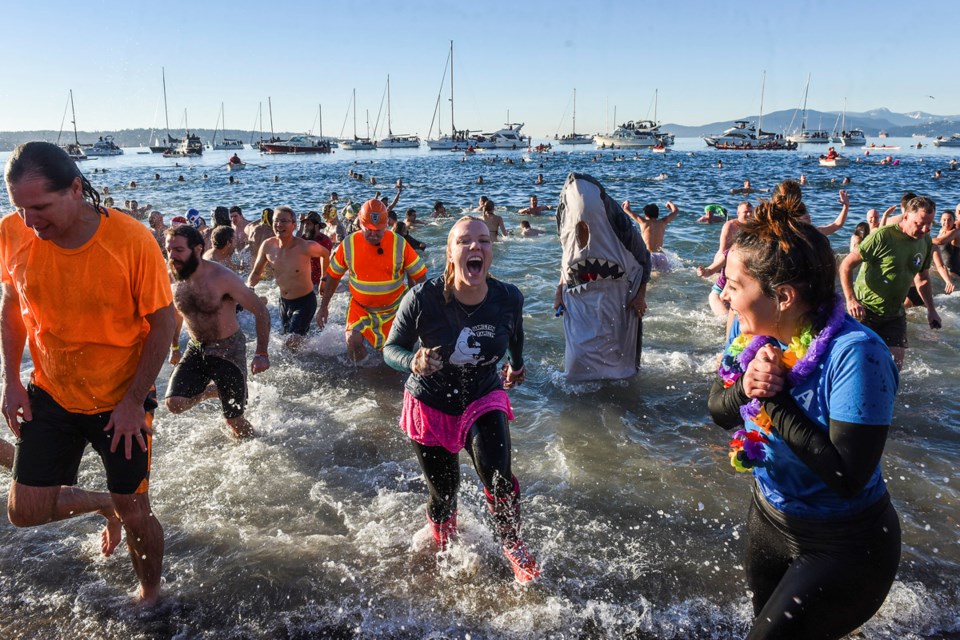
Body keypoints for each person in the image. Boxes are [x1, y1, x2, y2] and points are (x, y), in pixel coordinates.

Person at [707, 194, 901, 640]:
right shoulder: (747, 329)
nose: (725, 295)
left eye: (734, 286)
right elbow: (719, 411)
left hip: (844, 543)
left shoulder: (857, 354)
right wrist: (746, 387)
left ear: (784, 296)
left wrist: (772, 399)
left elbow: (848, 474)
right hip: (769, 517)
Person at [0, 141, 176, 603]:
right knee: (24, 512)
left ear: (76, 189)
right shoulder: (13, 234)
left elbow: (164, 321)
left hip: (121, 395)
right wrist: (12, 381)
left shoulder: (130, 240)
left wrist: (134, 400)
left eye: (40, 206)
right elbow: (12, 305)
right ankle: (103, 504)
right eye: (20, 208)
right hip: (52, 390)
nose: (29, 220)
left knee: (136, 511)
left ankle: (151, 594)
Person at [382, 216, 539, 584]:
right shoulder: (423, 298)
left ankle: (513, 545)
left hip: (483, 393)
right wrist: (413, 361)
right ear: (450, 253)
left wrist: (516, 366)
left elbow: (515, 336)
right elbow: (391, 349)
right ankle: (442, 537)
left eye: (483, 241)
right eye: (464, 242)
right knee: (444, 493)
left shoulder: (508, 297)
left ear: (491, 251)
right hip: (431, 402)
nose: (475, 248)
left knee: (498, 476)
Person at [164, 225, 271, 439]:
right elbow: (176, 314)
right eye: (168, 250)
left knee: (234, 421)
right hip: (196, 347)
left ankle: (260, 445)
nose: (172, 256)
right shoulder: (172, 277)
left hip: (228, 349)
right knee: (174, 403)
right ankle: (210, 392)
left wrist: (261, 353)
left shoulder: (222, 277)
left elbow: (260, 310)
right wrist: (174, 347)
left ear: (197, 249)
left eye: (178, 250)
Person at [317, 199, 427, 362]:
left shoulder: (399, 243)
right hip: (361, 308)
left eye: (379, 230)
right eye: (368, 229)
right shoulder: (349, 244)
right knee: (352, 343)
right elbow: (333, 276)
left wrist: (423, 311)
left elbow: (421, 279)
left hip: (394, 308)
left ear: (387, 225)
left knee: (397, 359)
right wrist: (324, 306)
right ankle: (364, 376)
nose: (374, 234)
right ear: (361, 224)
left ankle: (385, 381)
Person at [840, 195, 941, 369]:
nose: (925, 229)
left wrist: (931, 310)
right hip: (865, 310)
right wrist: (850, 300)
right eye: (919, 223)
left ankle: (889, 396)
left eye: (929, 224)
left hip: (895, 313)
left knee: (894, 367)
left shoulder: (925, 241)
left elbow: (922, 279)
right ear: (906, 216)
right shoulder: (883, 236)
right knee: (859, 364)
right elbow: (846, 265)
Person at [248, 206, 330, 348]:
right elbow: (256, 273)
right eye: (276, 221)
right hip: (284, 303)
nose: (279, 225)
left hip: (305, 302)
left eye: (284, 221)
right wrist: (248, 288)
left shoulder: (305, 246)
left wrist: (324, 279)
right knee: (291, 342)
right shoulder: (267, 246)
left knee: (289, 344)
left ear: (294, 225)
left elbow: (325, 254)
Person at [697, 201, 754, 317]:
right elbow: (724, 251)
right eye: (745, 212)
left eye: (751, 212)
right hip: (726, 259)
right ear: (738, 213)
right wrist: (708, 270)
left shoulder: (756, 227)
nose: (748, 215)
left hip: (742, 263)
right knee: (718, 291)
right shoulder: (730, 226)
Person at [621, 200, 680, 272]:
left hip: (649, 255)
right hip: (661, 256)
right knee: (663, 276)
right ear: (657, 214)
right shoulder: (663, 222)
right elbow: (676, 211)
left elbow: (626, 209)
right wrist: (669, 203)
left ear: (646, 214)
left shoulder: (643, 222)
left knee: (650, 279)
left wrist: (626, 202)